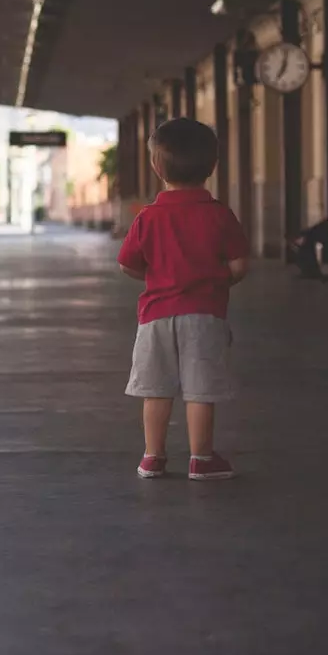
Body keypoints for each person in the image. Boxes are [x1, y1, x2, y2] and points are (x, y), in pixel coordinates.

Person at [117, 118, 249, 481]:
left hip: (155, 316)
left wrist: (160, 278)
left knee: (155, 390)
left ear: (156, 168)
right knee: (200, 390)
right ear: (212, 166)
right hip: (205, 314)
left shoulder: (148, 217)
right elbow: (239, 264)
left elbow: (128, 265)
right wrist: (217, 281)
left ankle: (152, 458)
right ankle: (201, 459)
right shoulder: (219, 214)